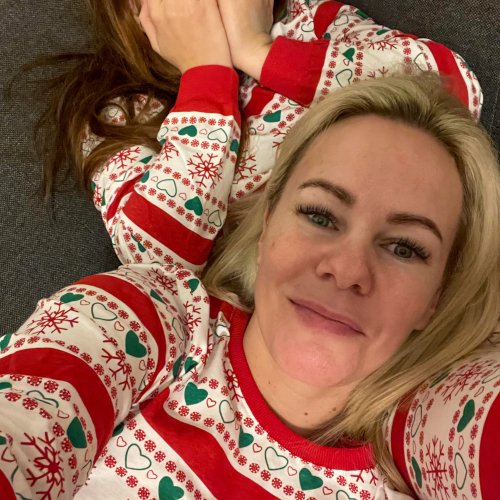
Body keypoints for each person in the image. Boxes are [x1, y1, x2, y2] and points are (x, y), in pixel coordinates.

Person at [1, 69, 499, 498]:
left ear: (436, 298)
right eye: (320, 215)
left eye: (405, 248)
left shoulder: (433, 432)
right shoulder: (152, 322)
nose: (347, 270)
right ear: (266, 228)